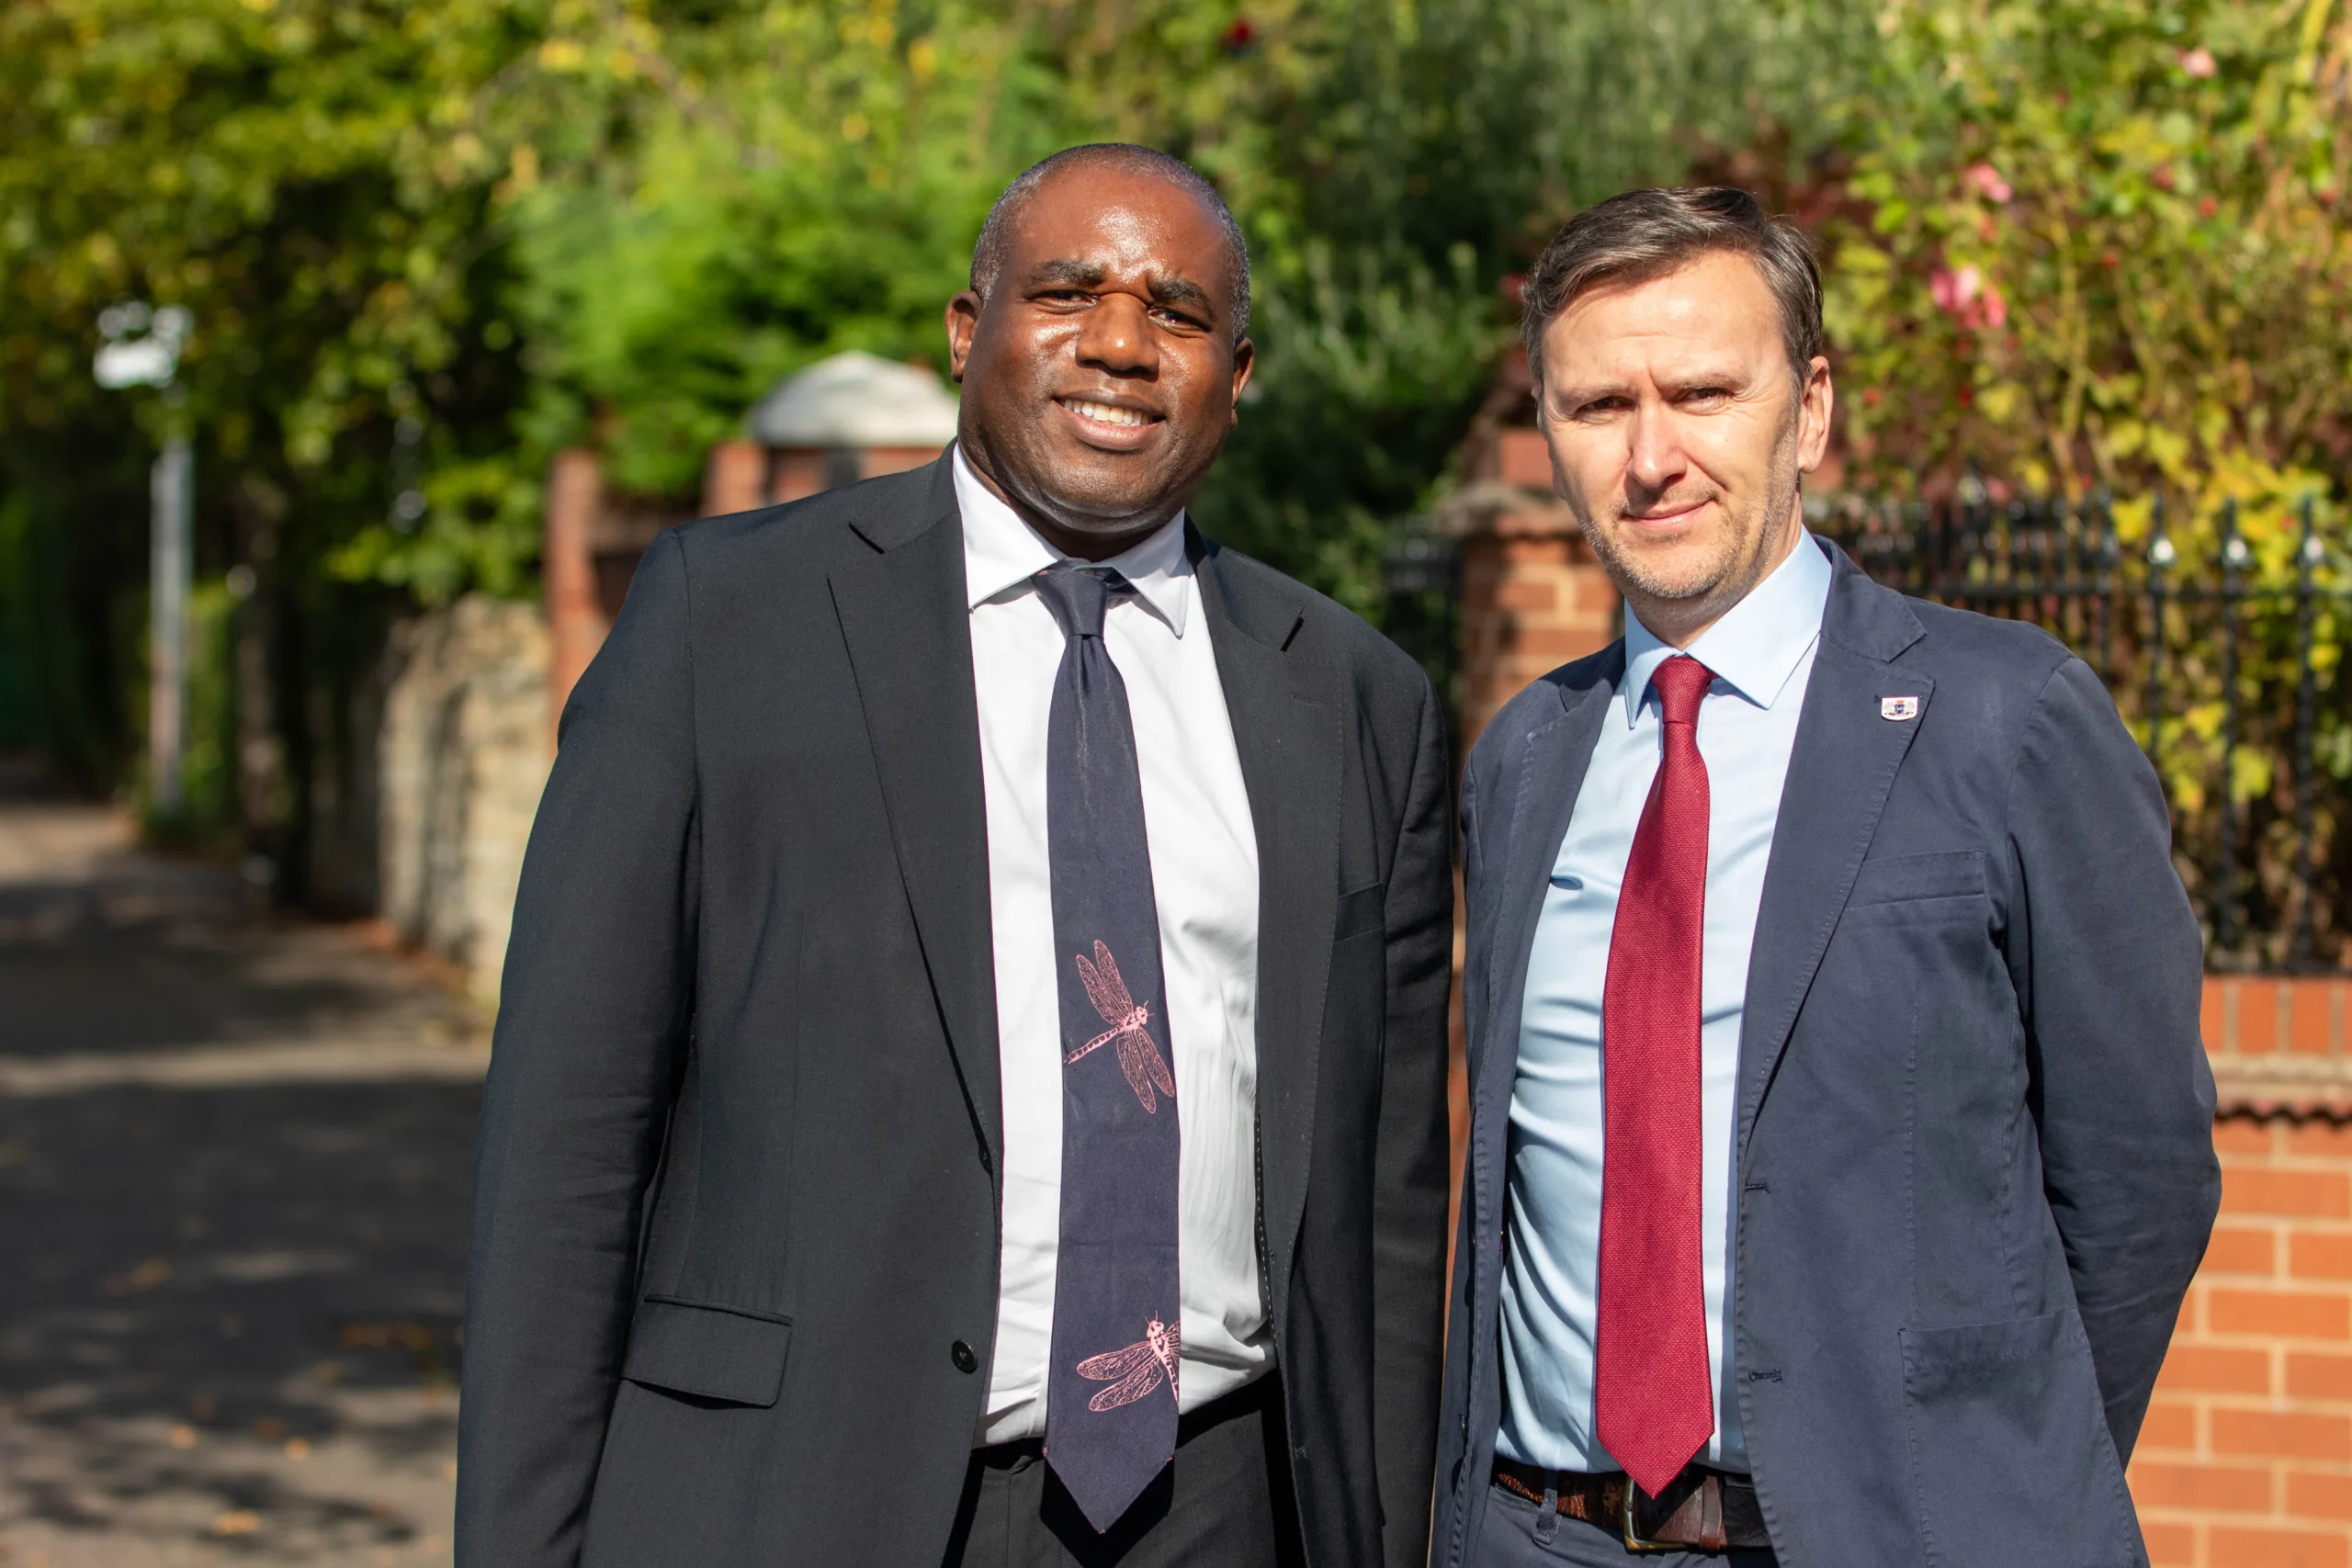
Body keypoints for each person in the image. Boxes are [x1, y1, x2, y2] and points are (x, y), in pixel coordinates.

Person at [455, 143, 1453, 1568]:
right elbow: (565, 1149)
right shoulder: (725, 626)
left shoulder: (1352, 698)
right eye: (1066, 292)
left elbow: (1384, 1211)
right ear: (964, 329)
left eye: (1176, 312)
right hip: (802, 1496)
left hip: (1224, 1502)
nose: (1119, 342)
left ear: (1237, 374)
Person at [1429, 186, 2219, 1568]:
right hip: (1537, 1533)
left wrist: (1990, 1480)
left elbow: (2143, 1181)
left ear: (1809, 411)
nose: (1653, 455)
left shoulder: (2005, 718)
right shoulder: (1527, 758)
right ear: (1548, 432)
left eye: (1704, 391)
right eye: (1600, 404)